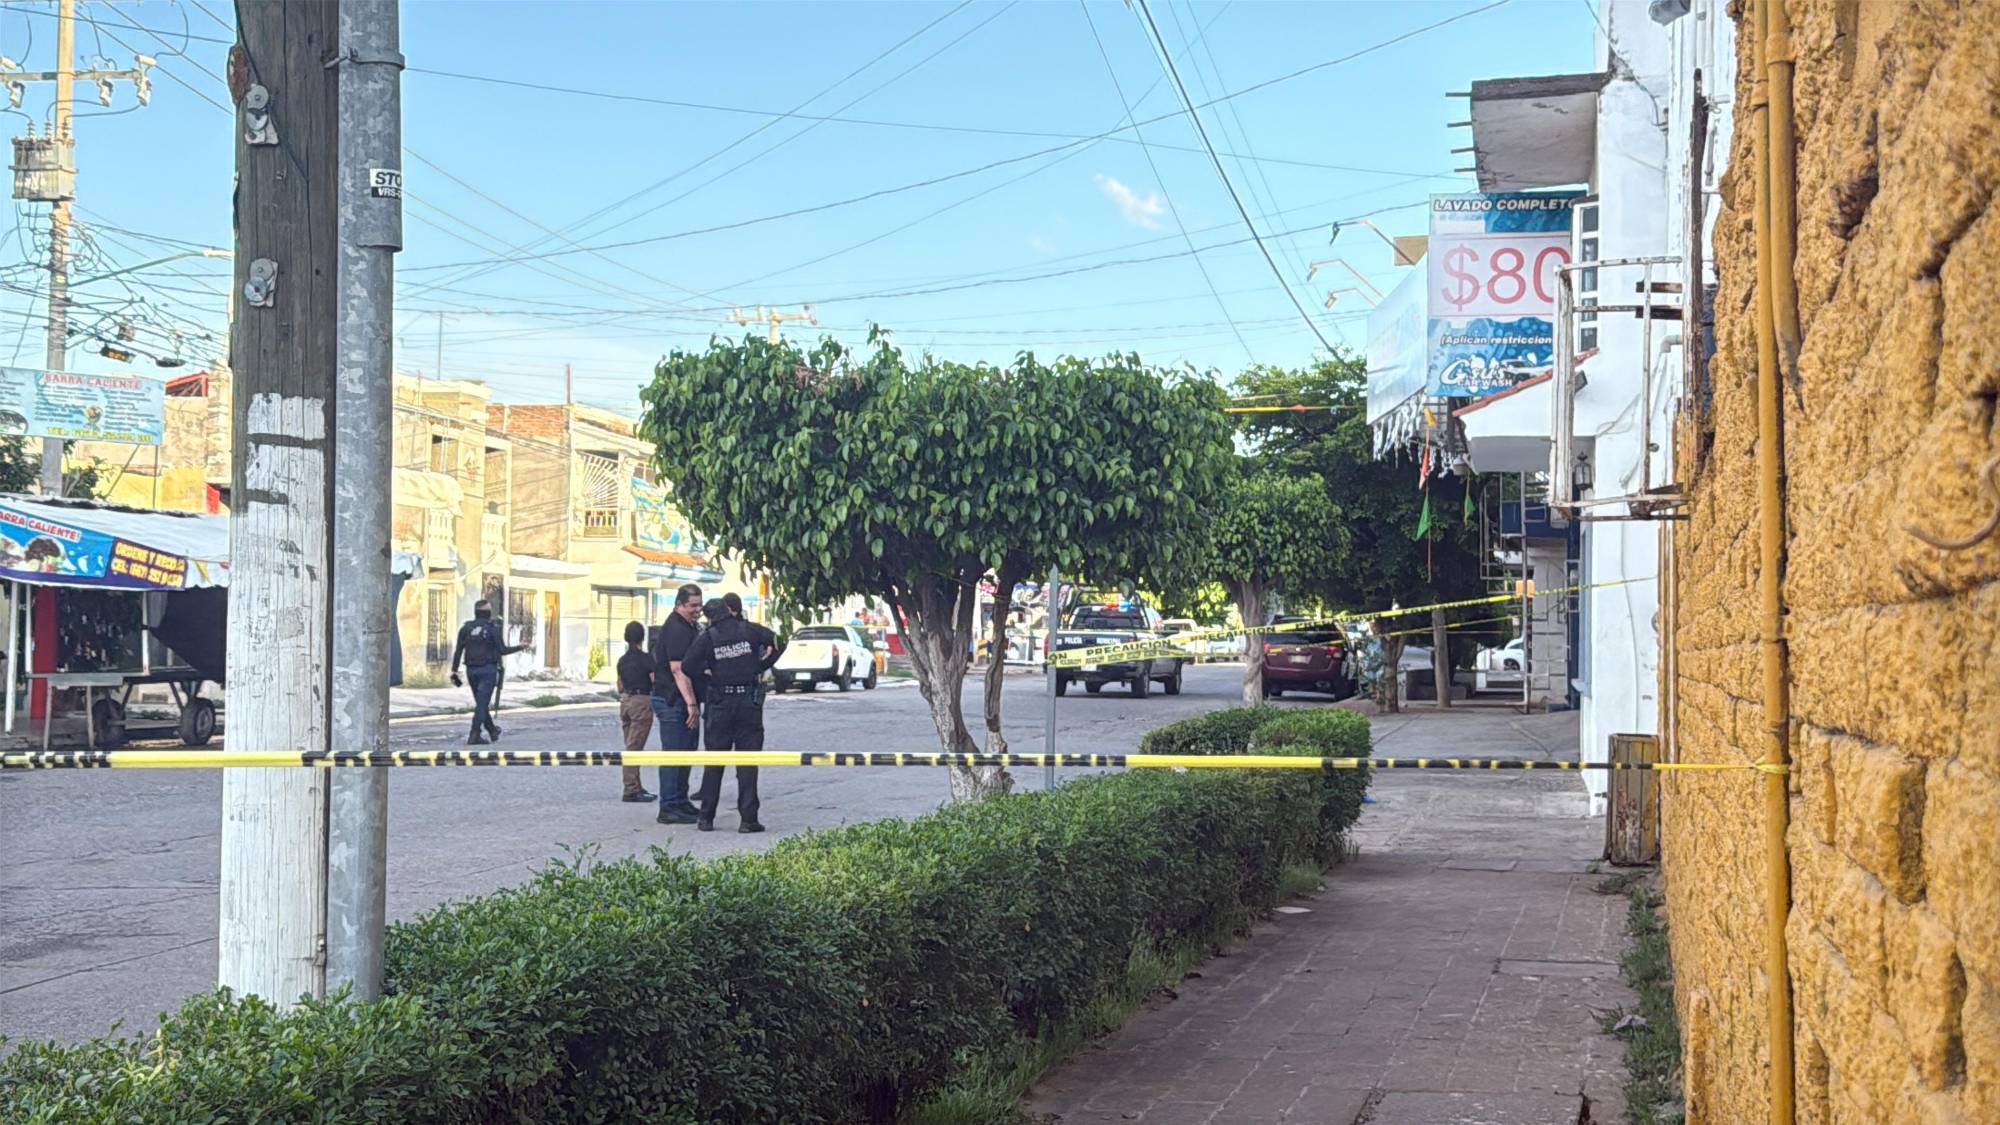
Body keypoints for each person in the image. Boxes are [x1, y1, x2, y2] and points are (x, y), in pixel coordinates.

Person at [681, 596, 783, 832]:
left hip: (720, 703)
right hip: (748, 703)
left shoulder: (707, 638)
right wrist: (762, 665)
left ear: (709, 617)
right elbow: (779, 641)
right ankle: (748, 820)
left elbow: (687, 667)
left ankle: (706, 818)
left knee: (714, 762)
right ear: (729, 611)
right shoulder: (749, 630)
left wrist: (709, 674)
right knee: (748, 763)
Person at [650, 583, 706, 824]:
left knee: (686, 751)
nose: (697, 610)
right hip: (673, 700)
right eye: (693, 606)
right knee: (674, 753)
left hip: (683, 700)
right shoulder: (676, 628)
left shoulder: (690, 626)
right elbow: (677, 669)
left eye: (699, 605)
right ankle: (669, 805)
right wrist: (691, 704)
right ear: (679, 604)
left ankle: (681, 801)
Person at [449, 599, 522, 745]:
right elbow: (502, 650)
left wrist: (455, 671)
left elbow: (458, 651)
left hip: (471, 671)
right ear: (487, 613)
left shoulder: (466, 628)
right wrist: (520, 647)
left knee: (481, 703)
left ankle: (492, 730)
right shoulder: (492, 628)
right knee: (482, 703)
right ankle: (474, 734)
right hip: (488, 670)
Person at [614, 621, 657, 803]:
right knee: (634, 748)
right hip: (641, 701)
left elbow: (620, 686)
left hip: (626, 702)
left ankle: (636, 786)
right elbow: (654, 681)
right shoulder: (647, 659)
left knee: (631, 744)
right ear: (642, 637)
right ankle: (631, 789)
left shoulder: (622, 661)